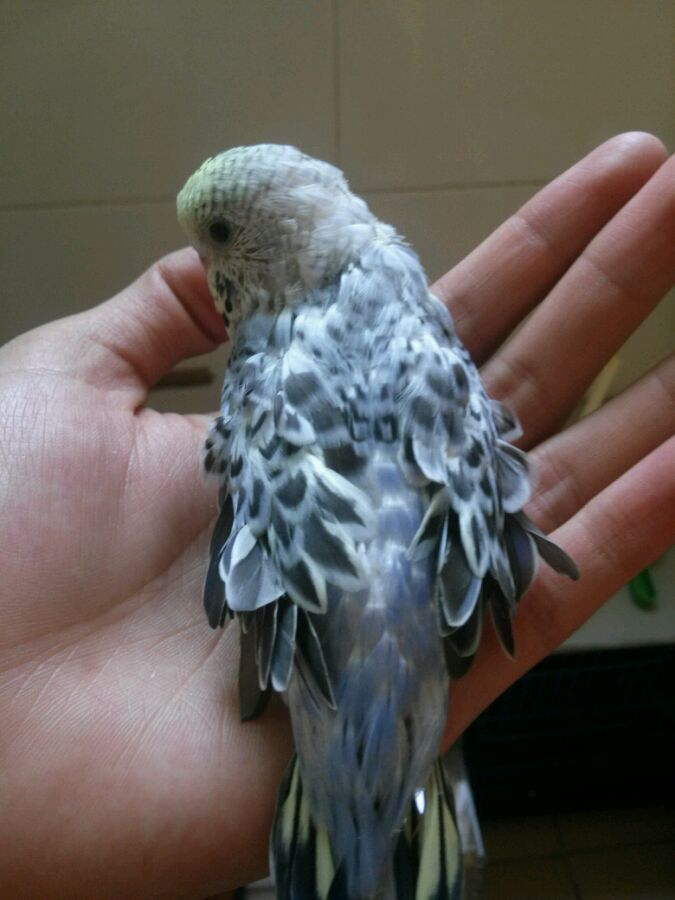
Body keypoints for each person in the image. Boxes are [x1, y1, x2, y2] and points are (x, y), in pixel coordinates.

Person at [0, 133, 673, 898]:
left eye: (216, 235)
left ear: (275, 233)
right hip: (376, 647)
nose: (201, 260)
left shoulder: (269, 365)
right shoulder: (392, 296)